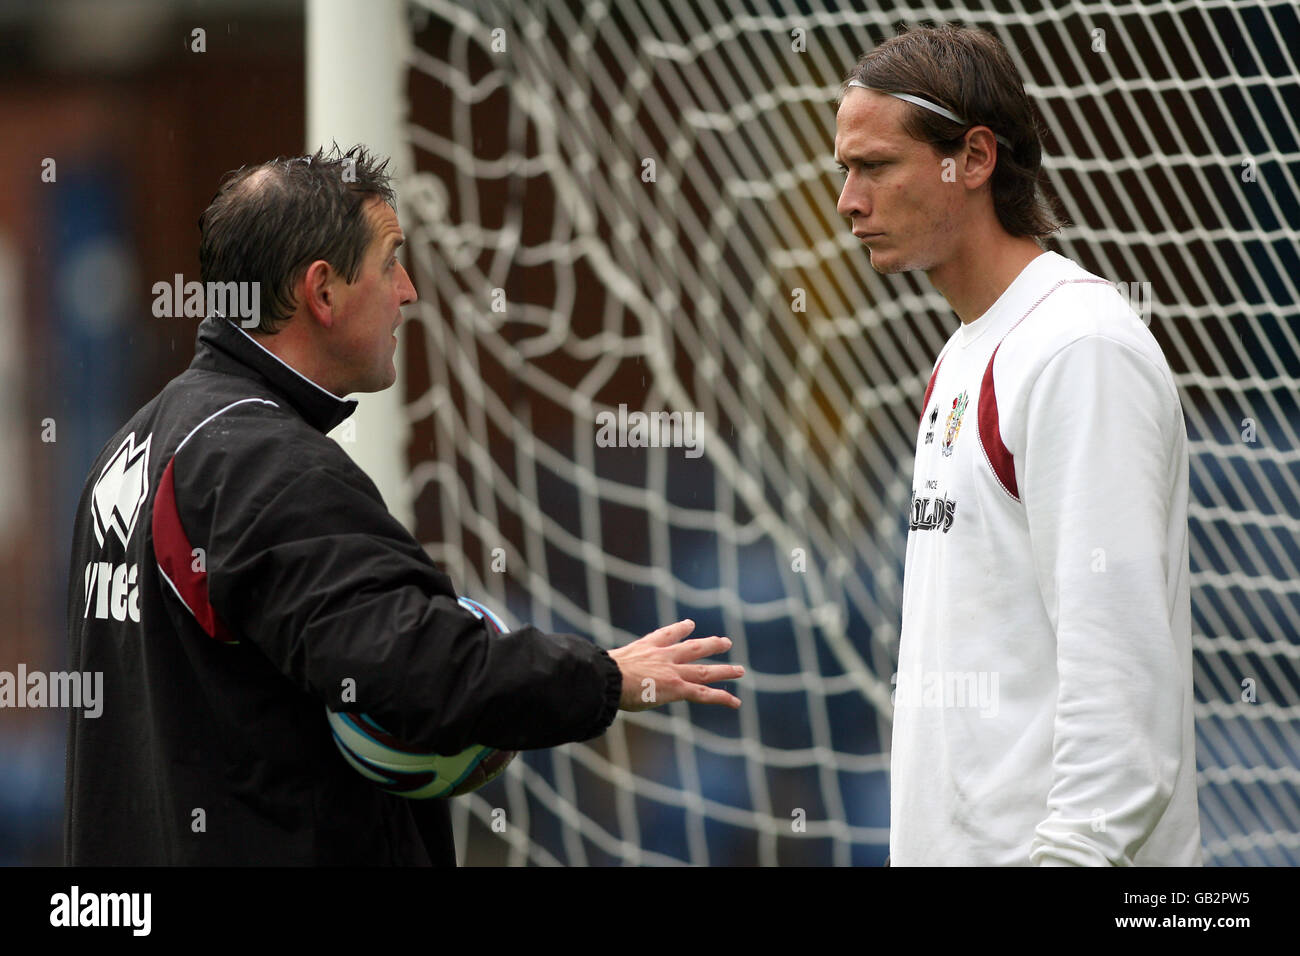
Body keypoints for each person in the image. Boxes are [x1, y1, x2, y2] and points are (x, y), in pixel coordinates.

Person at [65, 145, 744, 865]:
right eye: (391, 262)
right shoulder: (262, 464)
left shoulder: (133, 447)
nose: (410, 290)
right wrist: (606, 679)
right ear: (321, 292)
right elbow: (414, 670)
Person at [833, 25, 1201, 865]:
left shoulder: (1078, 349)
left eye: (876, 166)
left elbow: (1123, 690)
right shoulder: (964, 355)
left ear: (974, 156)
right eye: (845, 171)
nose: (849, 201)